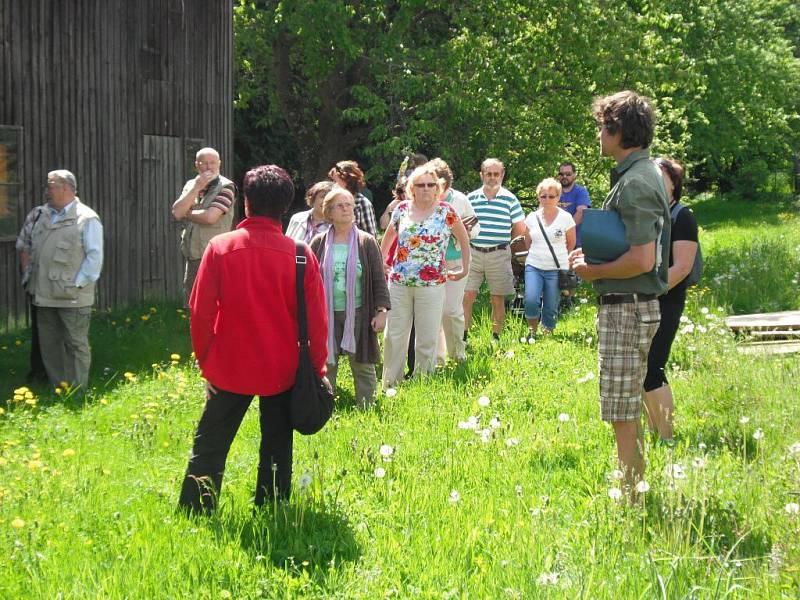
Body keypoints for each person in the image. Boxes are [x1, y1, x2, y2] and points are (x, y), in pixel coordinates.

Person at [178, 164, 328, 514]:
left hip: (230, 365)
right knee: (277, 443)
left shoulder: (220, 247)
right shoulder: (301, 255)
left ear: (246, 203)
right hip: (283, 368)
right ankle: (272, 506)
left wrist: (207, 364)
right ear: (286, 206)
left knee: (211, 443)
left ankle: (196, 510)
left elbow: (200, 313)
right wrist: (316, 369)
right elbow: (318, 324)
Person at [569, 90, 670, 495]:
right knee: (623, 403)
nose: (598, 134)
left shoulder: (638, 182)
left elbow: (643, 259)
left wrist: (592, 271)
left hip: (627, 307)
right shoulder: (636, 175)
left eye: (601, 127)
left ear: (618, 131)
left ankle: (630, 490)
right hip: (628, 305)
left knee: (621, 407)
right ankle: (632, 479)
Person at [380, 164, 470, 388]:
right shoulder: (401, 209)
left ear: (438, 188)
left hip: (432, 284)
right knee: (394, 335)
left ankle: (423, 384)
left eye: (431, 185)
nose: (426, 189)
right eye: (421, 185)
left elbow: (464, 240)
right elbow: (388, 237)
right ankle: (391, 383)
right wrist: (381, 263)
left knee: (427, 337)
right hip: (399, 283)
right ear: (412, 188)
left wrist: (464, 269)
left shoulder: (446, 211)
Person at [310, 187, 390, 408]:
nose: (346, 209)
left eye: (349, 205)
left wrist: (382, 312)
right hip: (326, 313)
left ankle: (366, 408)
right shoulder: (318, 243)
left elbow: (378, 279)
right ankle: (325, 407)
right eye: (340, 205)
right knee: (326, 362)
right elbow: (309, 281)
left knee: (362, 363)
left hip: (359, 312)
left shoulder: (366, 242)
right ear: (329, 213)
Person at [27, 170, 103, 392]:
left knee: (75, 344)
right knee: (49, 345)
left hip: (72, 296)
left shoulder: (87, 218)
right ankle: (58, 388)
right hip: (44, 294)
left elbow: (94, 258)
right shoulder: (44, 215)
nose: (46, 190)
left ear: (66, 188)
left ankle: (78, 392)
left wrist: (77, 285)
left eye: (51, 185)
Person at [643, 158, 698, 445]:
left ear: (674, 183)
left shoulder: (682, 215)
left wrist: (653, 290)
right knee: (642, 369)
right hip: (642, 299)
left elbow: (683, 267)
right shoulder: (650, 214)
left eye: (660, 177)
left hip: (666, 300)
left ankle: (666, 437)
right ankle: (653, 432)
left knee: (654, 366)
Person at [463, 158, 526, 344]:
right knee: (467, 295)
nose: (492, 178)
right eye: (488, 174)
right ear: (481, 175)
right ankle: (463, 338)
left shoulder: (510, 199)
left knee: (497, 297)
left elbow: (519, 228)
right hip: (473, 251)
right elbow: (462, 223)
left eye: (496, 174)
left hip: (499, 254)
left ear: (502, 175)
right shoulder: (471, 198)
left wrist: (508, 246)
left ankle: (495, 338)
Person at [428, 158, 480, 363]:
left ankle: (458, 353)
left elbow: (477, 227)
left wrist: (467, 231)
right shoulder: (424, 200)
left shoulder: (460, 199)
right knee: (434, 309)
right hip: (432, 261)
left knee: (451, 308)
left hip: (457, 258)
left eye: (440, 186)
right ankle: (438, 358)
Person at [171, 148, 236, 305]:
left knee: (214, 304)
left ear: (219, 164)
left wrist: (188, 213)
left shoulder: (227, 186)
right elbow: (177, 212)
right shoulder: (191, 184)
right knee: (193, 304)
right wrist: (196, 188)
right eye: (204, 163)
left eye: (213, 163)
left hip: (216, 257)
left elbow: (210, 217)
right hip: (193, 256)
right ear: (196, 165)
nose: (209, 167)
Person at [523, 178, 576, 340]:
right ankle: (532, 330)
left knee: (551, 303)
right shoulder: (532, 217)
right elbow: (527, 241)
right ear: (538, 197)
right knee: (531, 299)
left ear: (558, 197)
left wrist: (562, 260)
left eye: (551, 196)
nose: (547, 200)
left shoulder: (566, 218)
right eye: (543, 196)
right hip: (534, 265)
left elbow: (571, 243)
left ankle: (548, 332)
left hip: (557, 267)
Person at [16, 204, 48, 382]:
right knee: (39, 329)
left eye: (52, 186)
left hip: (65, 286)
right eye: (48, 187)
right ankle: (39, 372)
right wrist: (27, 277)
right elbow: (23, 246)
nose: (48, 191)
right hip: (37, 284)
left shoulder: (80, 215)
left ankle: (66, 373)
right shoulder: (37, 214)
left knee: (65, 330)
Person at [328, 160, 378, 237]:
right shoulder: (330, 203)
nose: (333, 185)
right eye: (333, 181)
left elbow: (371, 237)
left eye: (336, 181)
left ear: (347, 180)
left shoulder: (362, 203)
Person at [556, 161, 591, 246]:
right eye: (561, 174)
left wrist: (563, 232)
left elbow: (581, 213)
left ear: (574, 175)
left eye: (568, 174)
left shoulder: (581, 191)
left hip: (576, 243)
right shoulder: (552, 192)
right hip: (555, 242)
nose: (564, 176)